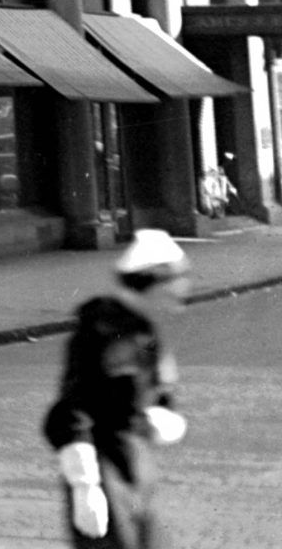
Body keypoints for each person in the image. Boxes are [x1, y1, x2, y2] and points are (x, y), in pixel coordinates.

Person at [44, 228, 193, 547]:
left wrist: (163, 417)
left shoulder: (145, 332)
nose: (183, 289)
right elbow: (72, 409)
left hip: (136, 464)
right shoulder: (104, 331)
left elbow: (158, 394)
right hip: (103, 470)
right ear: (150, 283)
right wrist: (85, 486)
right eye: (175, 281)